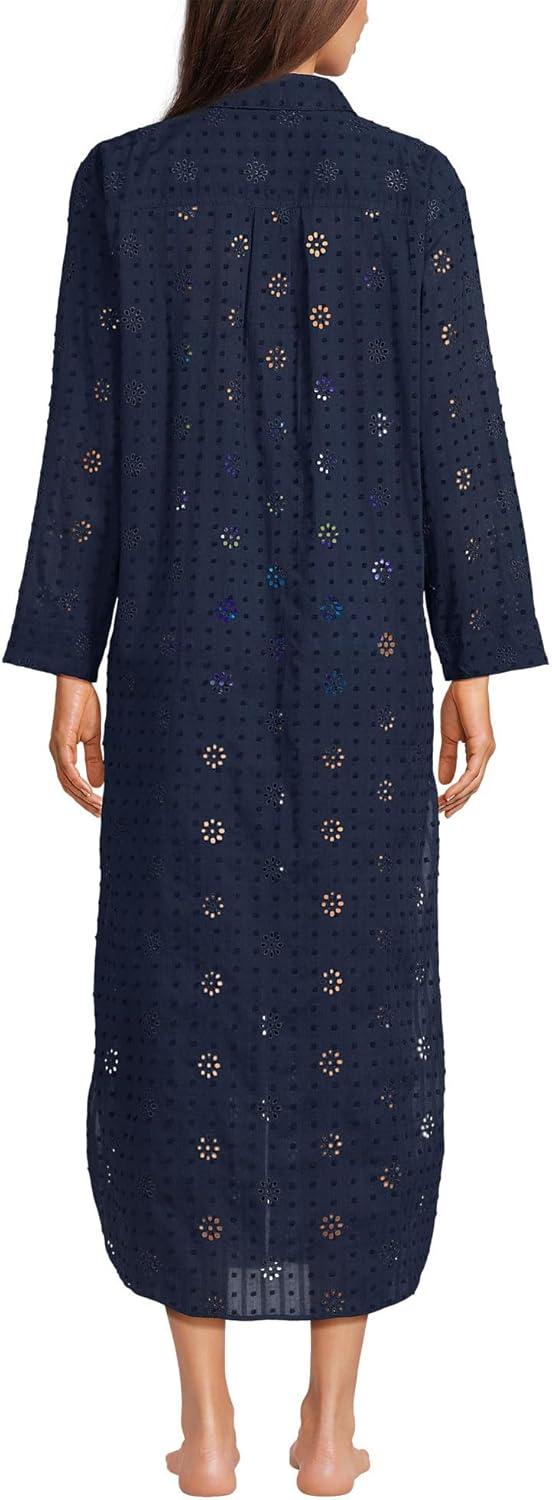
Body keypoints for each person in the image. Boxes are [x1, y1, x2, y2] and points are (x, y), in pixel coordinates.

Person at [3, 1, 547, 1494]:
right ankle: (329, 1420)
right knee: (360, 1000)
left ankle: (206, 1425)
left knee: (176, 984)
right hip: (366, 664)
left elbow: (87, 438)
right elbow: (458, 436)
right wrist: (475, 658)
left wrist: (70, 659)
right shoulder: (414, 186)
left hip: (181, 652)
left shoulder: (121, 181)